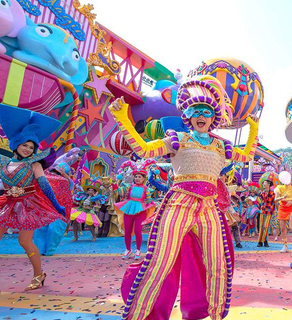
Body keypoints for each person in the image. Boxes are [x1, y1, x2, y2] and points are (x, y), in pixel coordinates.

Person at [110, 75, 259, 320]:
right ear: (187, 117)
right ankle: (137, 315)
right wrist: (123, 119)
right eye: (195, 110)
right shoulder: (177, 140)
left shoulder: (222, 146)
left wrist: (254, 129)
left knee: (217, 266)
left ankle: (215, 315)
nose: (201, 115)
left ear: (213, 118)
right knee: (159, 262)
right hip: (179, 203)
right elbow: (143, 149)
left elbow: (246, 155)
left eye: (207, 111)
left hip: (210, 207)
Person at [0, 103, 66, 291]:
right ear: (16, 144)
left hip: (28, 205)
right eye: (25, 145)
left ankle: (39, 275)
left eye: (31, 147)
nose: (27, 149)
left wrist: (56, 205)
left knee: (24, 241)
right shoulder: (2, 164)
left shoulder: (34, 165)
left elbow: (45, 187)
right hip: (6, 205)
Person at [115, 159, 155, 260]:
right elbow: (119, 191)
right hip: (128, 209)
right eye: (136, 176)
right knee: (127, 231)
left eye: (139, 177)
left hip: (140, 211)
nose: (137, 178)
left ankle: (138, 250)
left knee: (138, 231)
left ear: (143, 179)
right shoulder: (129, 187)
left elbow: (149, 201)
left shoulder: (147, 189)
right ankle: (128, 250)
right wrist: (115, 182)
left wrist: (148, 204)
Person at [274, 171, 292, 253]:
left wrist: (291, 202)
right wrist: (282, 197)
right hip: (282, 207)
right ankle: (285, 246)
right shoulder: (279, 188)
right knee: (282, 228)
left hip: (290, 208)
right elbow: (276, 199)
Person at [257, 179, 275, 247]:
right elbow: (261, 202)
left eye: (265, 183)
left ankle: (265, 240)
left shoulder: (272, 193)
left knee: (266, 226)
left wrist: (272, 211)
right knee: (261, 226)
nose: (264, 184)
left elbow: (273, 203)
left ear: (268, 184)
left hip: (269, 211)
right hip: (262, 210)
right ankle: (260, 241)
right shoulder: (262, 193)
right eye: (263, 183)